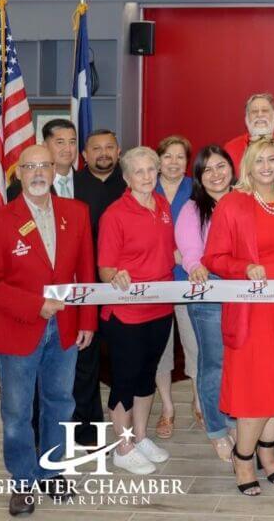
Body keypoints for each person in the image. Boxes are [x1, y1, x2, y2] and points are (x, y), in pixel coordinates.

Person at [0, 145, 96, 517]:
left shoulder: (76, 213)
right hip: (17, 329)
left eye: (43, 165)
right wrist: (35, 306)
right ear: (18, 173)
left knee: (60, 403)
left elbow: (86, 273)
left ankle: (51, 471)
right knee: (16, 411)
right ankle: (23, 481)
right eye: (29, 166)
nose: (37, 172)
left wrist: (88, 321)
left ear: (54, 168)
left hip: (64, 329)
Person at [202, 139, 274, 495]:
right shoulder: (234, 204)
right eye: (259, 160)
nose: (267, 166)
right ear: (247, 166)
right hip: (253, 310)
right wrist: (244, 266)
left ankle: (268, 451)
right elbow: (214, 258)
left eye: (273, 160)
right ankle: (243, 455)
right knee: (257, 387)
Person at [97, 147, 176, 475]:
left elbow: (166, 248)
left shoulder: (162, 205)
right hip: (126, 313)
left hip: (160, 308)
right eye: (138, 172)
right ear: (127, 178)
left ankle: (140, 437)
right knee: (125, 380)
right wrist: (115, 275)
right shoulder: (115, 214)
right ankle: (123, 445)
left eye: (151, 170)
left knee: (147, 376)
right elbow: (104, 268)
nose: (146, 177)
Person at [174, 145, 238, 462]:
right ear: (199, 176)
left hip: (244, 295)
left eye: (221, 166)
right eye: (207, 169)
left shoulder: (245, 200)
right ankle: (216, 429)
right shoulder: (192, 209)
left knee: (239, 364)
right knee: (214, 365)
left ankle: (236, 419)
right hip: (210, 292)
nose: (215, 174)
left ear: (232, 168)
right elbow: (189, 249)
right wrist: (195, 266)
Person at [71, 128, 127, 445]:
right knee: (86, 360)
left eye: (109, 147)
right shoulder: (71, 186)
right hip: (85, 287)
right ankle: (87, 427)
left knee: (124, 359)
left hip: (125, 287)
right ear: (85, 155)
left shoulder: (131, 183)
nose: (103, 153)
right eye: (96, 148)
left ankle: (127, 426)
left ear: (119, 151)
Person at [153, 135, 199, 440]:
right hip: (154, 280)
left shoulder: (196, 189)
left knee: (196, 345)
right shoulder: (143, 187)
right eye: (167, 157)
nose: (173, 163)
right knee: (160, 349)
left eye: (180, 157)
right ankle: (167, 408)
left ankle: (200, 402)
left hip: (188, 280)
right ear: (158, 161)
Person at [224, 93, 274, 187]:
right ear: (246, 118)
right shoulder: (230, 149)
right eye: (254, 111)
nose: (260, 115)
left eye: (265, 110)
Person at [6, 119, 78, 201]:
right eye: (60, 142)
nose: (68, 149)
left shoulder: (92, 184)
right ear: (45, 146)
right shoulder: (21, 188)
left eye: (72, 142)